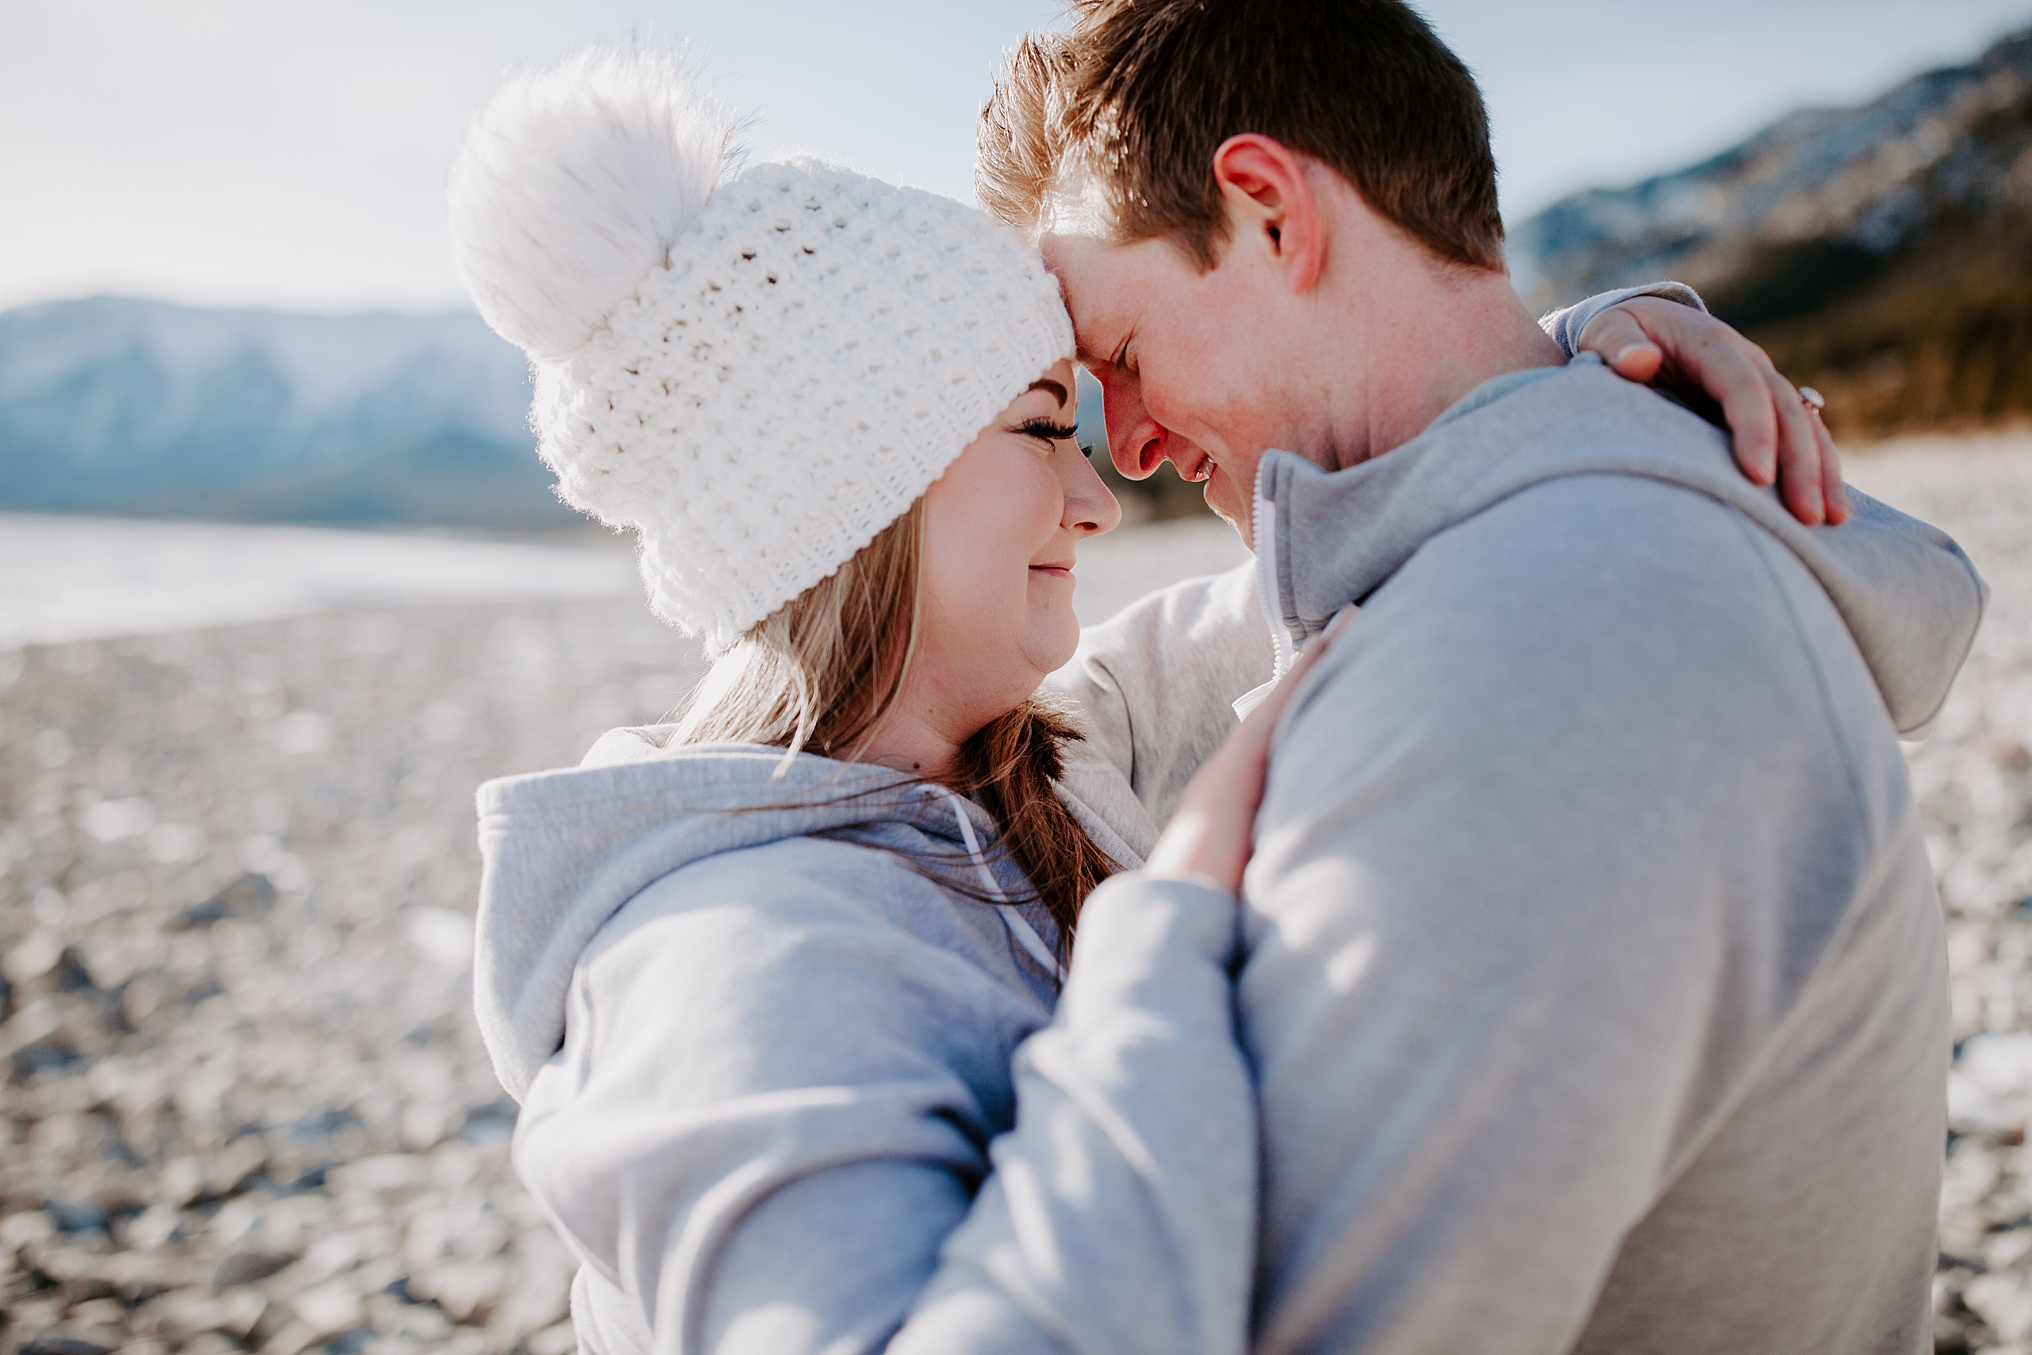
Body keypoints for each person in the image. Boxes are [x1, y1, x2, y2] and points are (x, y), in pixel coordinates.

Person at [453, 41, 1975, 1355]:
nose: (1104, 484)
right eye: (1052, 416)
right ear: (857, 495)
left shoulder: (1036, 763)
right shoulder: (731, 964)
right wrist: (1157, 968)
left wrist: (1580, 379)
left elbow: (1352, 543)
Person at [976, 2, 1988, 1352]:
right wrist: (1574, 364)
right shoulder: (1497, 554)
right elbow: (1064, 713)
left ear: (1272, 212)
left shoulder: (1550, 656)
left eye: (1124, 361)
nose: (1136, 445)